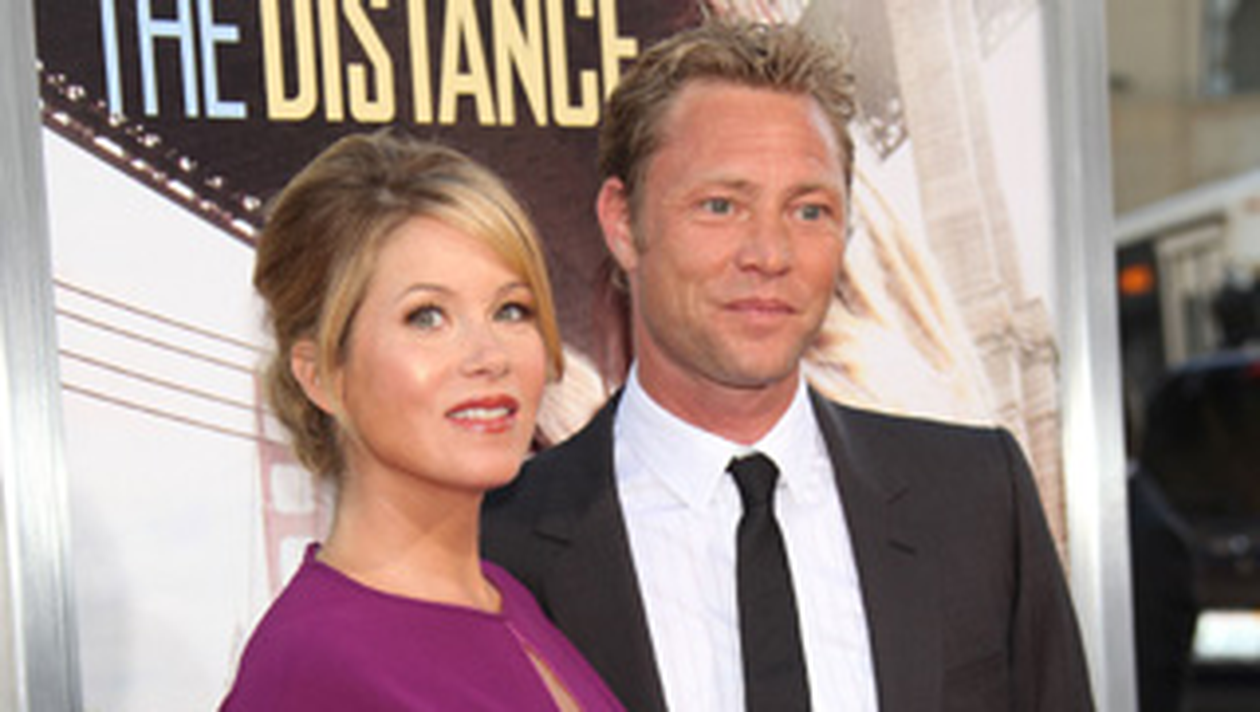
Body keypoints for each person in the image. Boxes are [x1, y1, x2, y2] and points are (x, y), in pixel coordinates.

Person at [483, 20, 1094, 712]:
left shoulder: (975, 500)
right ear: (624, 223)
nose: (769, 254)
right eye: (721, 206)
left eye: (808, 210)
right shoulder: (497, 543)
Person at [221, 131, 623, 711]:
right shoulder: (311, 665)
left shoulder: (507, 599)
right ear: (322, 374)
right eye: (427, 317)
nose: (490, 356)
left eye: (511, 310)